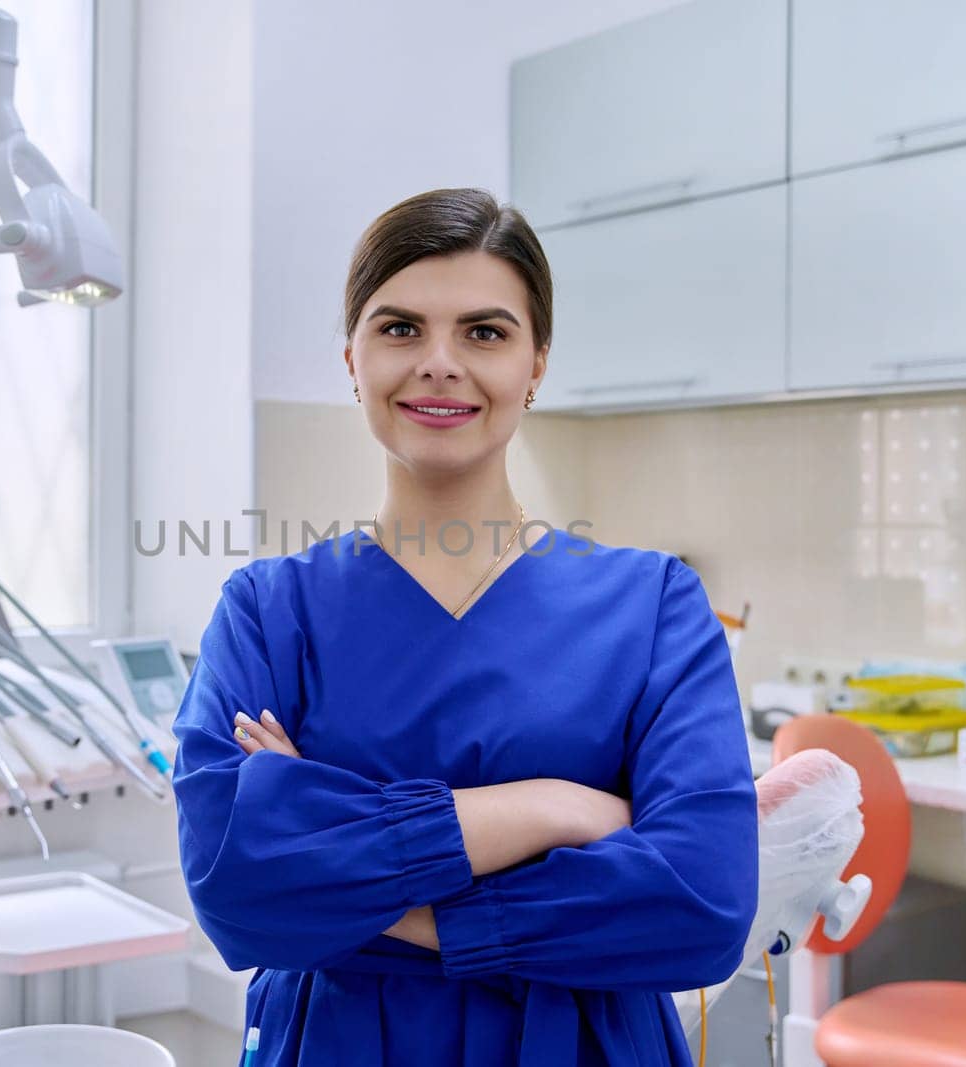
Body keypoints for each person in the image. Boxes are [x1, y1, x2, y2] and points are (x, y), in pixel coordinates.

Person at [170, 188, 760, 1066]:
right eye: (400, 328)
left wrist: (356, 880)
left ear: (537, 365)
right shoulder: (268, 609)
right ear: (351, 360)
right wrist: (551, 808)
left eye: (484, 332)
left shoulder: (654, 607)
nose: (439, 362)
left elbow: (702, 904)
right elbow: (238, 890)